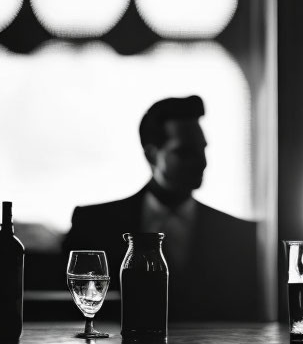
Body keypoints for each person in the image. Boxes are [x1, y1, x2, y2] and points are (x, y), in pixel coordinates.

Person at [62, 95, 260, 321]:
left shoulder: (238, 235)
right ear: (151, 155)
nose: (202, 161)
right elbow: (65, 307)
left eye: (202, 149)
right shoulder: (93, 224)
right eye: (185, 152)